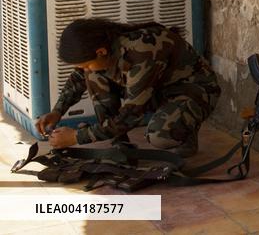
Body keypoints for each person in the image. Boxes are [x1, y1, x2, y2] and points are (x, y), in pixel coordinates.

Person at [34, 18, 220, 157]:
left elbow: (130, 116)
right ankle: (119, 142)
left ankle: (184, 133)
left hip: (194, 91)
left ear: (100, 52)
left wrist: (77, 137)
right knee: (93, 74)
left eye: (84, 64)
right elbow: (78, 78)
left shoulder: (142, 53)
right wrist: (57, 112)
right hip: (157, 90)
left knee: (160, 136)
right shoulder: (108, 46)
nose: (83, 70)